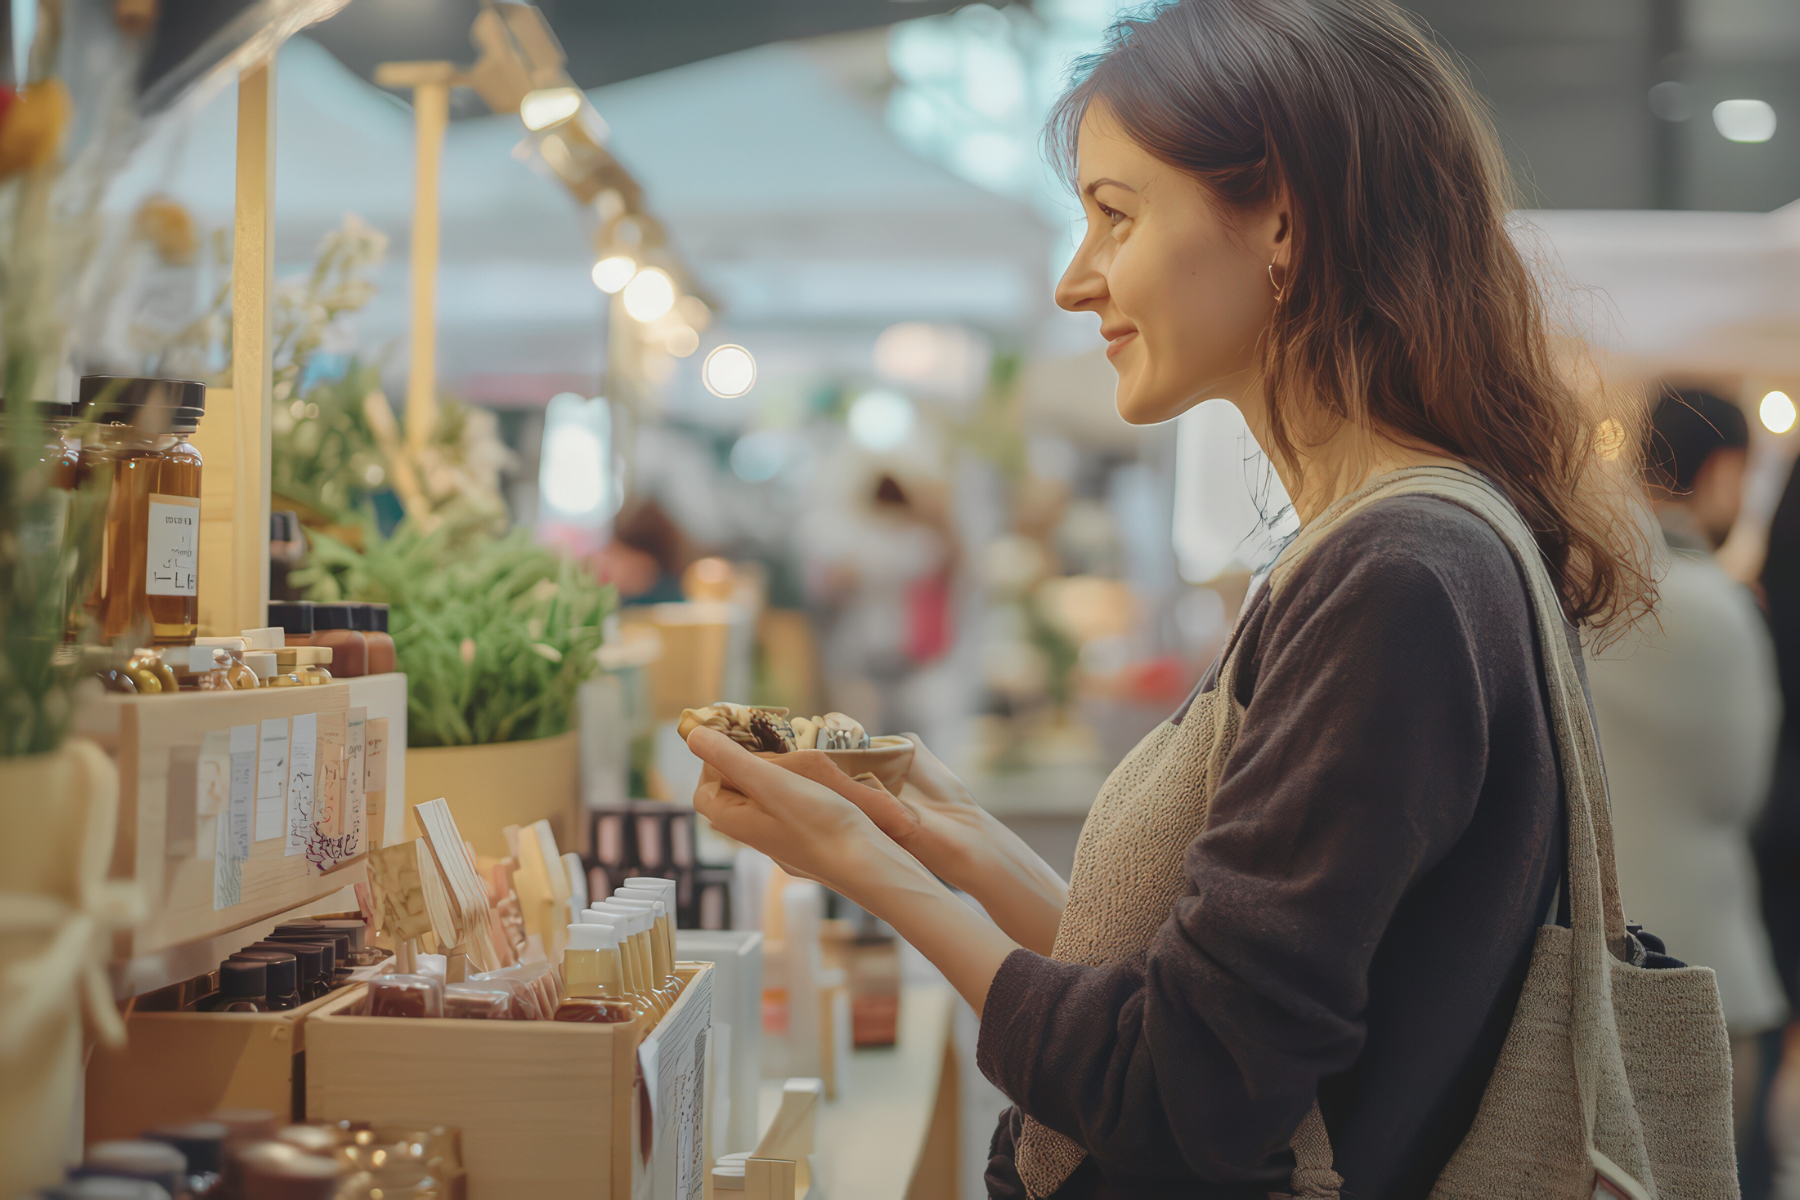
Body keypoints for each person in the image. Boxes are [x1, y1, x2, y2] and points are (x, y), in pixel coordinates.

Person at [687, 2, 1665, 1197]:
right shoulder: (1375, 549)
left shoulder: (1397, 575)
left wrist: (861, 866)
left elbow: (1183, 1091)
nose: (1073, 280)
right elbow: (1208, 1000)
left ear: (1284, 221)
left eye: (1114, 215)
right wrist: (939, 834)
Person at [1586, 387, 1785, 1176]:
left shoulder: (1586, 592)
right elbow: (1745, 791)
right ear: (1725, 468)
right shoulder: (1719, 609)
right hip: (1711, 967)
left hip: (1599, 959)